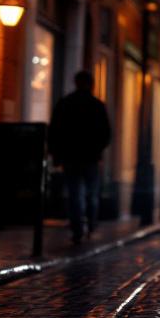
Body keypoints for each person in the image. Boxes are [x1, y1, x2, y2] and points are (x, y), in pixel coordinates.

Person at [48, 70, 112, 242]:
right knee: (91, 193)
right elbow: (106, 133)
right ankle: (90, 223)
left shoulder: (65, 103)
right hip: (90, 157)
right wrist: (98, 150)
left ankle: (77, 228)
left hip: (71, 156)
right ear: (91, 84)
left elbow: (55, 130)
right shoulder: (97, 105)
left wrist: (56, 153)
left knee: (75, 193)